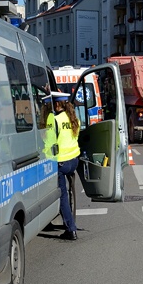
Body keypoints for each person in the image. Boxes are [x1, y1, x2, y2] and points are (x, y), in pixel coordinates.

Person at [44, 91, 81, 241]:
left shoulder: (53, 119)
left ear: (57, 104)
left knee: (62, 195)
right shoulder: (73, 117)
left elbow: (49, 143)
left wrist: (43, 155)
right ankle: (71, 220)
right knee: (70, 192)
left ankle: (70, 229)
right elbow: (76, 137)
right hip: (74, 160)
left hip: (60, 162)